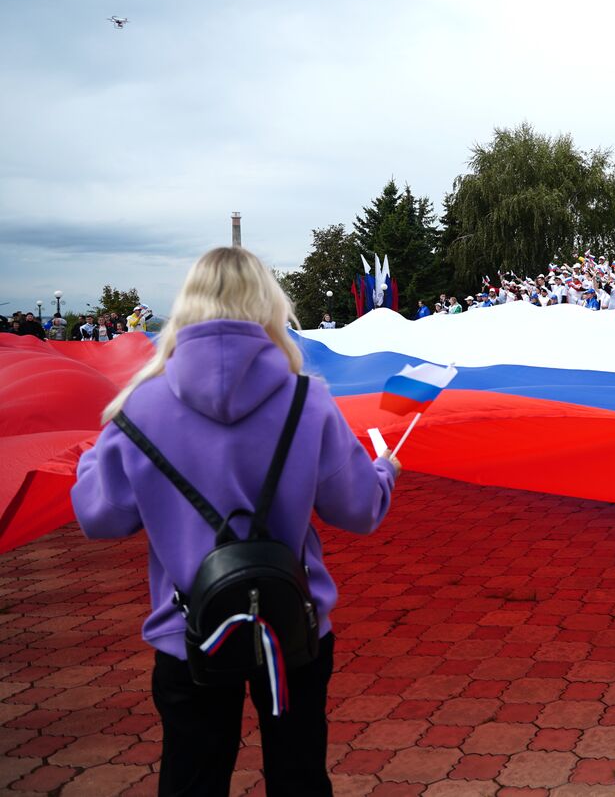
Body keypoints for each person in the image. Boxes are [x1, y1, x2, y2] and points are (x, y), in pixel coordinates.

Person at [70, 246, 400, 795]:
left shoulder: (140, 407)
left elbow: (100, 518)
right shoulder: (308, 399)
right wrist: (384, 470)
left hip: (188, 630)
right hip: (293, 623)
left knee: (192, 777)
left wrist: (90, 458)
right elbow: (358, 510)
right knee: (298, 776)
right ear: (269, 303)